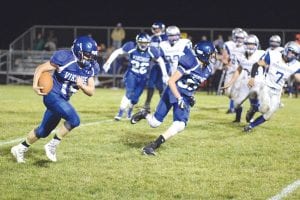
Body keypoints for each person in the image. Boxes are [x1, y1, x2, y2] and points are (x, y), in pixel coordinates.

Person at [11, 36, 100, 163]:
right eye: (86, 54)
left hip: (63, 100)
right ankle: (52, 145)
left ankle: (20, 148)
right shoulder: (65, 58)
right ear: (77, 51)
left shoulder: (91, 67)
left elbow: (91, 91)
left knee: (43, 131)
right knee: (74, 120)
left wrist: (82, 86)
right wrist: (35, 84)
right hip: (52, 95)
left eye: (92, 55)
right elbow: (40, 68)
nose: (89, 58)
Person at [130, 41, 217, 156]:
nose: (213, 56)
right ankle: (144, 114)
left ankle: (152, 145)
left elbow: (193, 84)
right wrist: (179, 98)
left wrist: (191, 96)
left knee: (180, 124)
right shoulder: (190, 62)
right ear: (204, 54)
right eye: (211, 54)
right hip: (173, 91)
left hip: (184, 96)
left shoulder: (208, 70)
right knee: (155, 123)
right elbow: (171, 81)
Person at [102, 32, 168, 121]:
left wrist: (164, 74)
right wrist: (108, 62)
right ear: (137, 42)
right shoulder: (131, 46)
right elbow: (117, 52)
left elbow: (160, 60)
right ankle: (120, 113)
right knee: (128, 93)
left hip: (143, 77)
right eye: (142, 43)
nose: (144, 45)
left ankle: (130, 109)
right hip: (131, 74)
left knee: (135, 98)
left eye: (146, 43)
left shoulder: (152, 50)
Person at [244, 41, 300, 132]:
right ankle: (254, 108)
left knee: (269, 114)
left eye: (295, 53)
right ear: (286, 49)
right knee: (264, 108)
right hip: (266, 86)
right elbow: (256, 64)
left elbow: (298, 77)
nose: (292, 54)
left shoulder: (296, 65)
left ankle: (250, 126)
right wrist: (252, 78)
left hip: (277, 91)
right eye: (291, 51)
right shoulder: (274, 55)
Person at [143, 25, 192, 112]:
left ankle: (188, 99)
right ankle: (162, 106)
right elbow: (159, 58)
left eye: (175, 35)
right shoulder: (163, 45)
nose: (173, 38)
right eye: (171, 36)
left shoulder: (185, 43)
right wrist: (165, 74)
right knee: (167, 89)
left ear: (179, 35)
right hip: (171, 70)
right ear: (167, 36)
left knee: (183, 89)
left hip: (183, 71)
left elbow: (191, 57)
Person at [222, 34, 265, 123]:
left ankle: (253, 109)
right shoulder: (241, 56)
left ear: (256, 45)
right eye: (248, 44)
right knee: (236, 104)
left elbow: (269, 65)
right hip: (245, 82)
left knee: (255, 92)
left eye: (252, 44)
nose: (250, 46)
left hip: (258, 81)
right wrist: (230, 82)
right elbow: (239, 70)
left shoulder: (261, 54)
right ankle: (238, 119)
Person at [143, 22, 168, 111]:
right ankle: (147, 103)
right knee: (151, 83)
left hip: (165, 64)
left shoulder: (166, 37)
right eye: (155, 29)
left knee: (161, 85)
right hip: (155, 64)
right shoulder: (151, 38)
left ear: (162, 28)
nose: (156, 30)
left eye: (158, 29)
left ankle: (163, 105)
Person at [221, 28, 247, 114]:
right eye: (237, 37)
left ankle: (234, 108)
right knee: (227, 91)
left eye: (241, 38)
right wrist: (226, 63)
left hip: (240, 71)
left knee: (235, 90)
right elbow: (225, 57)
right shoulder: (229, 45)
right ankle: (236, 104)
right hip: (230, 70)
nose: (239, 40)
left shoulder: (246, 47)